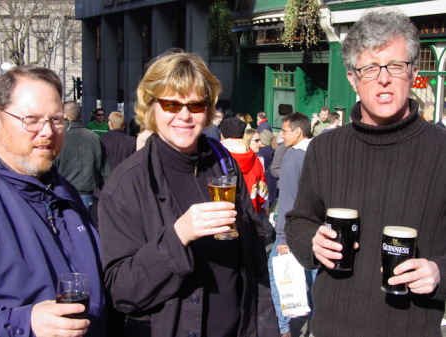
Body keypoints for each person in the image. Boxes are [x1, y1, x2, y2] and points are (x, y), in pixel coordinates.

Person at [285, 9, 446, 337]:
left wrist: (440, 272)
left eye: (395, 66)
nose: (383, 79)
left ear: (413, 72)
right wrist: (313, 243)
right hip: (331, 328)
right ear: (352, 77)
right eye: (370, 68)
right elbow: (298, 222)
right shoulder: (324, 148)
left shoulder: (441, 150)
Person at [98, 50, 279, 337]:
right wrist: (178, 235)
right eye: (171, 104)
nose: (184, 115)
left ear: (208, 110)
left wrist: (269, 328)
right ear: (151, 108)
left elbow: (255, 255)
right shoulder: (127, 183)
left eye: (195, 105)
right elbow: (121, 291)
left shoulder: (224, 162)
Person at [0, 65, 107, 337]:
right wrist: (25, 323)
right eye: (31, 119)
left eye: (57, 120)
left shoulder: (62, 190)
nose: (47, 132)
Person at [269, 113, 315, 337]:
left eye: (285, 131)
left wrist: (283, 237)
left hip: (293, 228)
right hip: (318, 227)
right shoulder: (319, 151)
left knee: (278, 276)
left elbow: (288, 197)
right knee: (314, 280)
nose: (280, 136)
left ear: (298, 131)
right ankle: (318, 327)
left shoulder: (292, 156)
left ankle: (284, 329)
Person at [55, 102, 111, 213]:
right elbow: (104, 168)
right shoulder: (94, 137)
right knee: (84, 225)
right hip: (87, 191)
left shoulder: (60, 137)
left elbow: (52, 166)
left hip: (64, 190)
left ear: (65, 116)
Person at [221, 118, 268, 214]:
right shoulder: (255, 159)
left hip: (224, 215)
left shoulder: (218, 157)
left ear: (222, 135)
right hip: (249, 214)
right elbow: (262, 193)